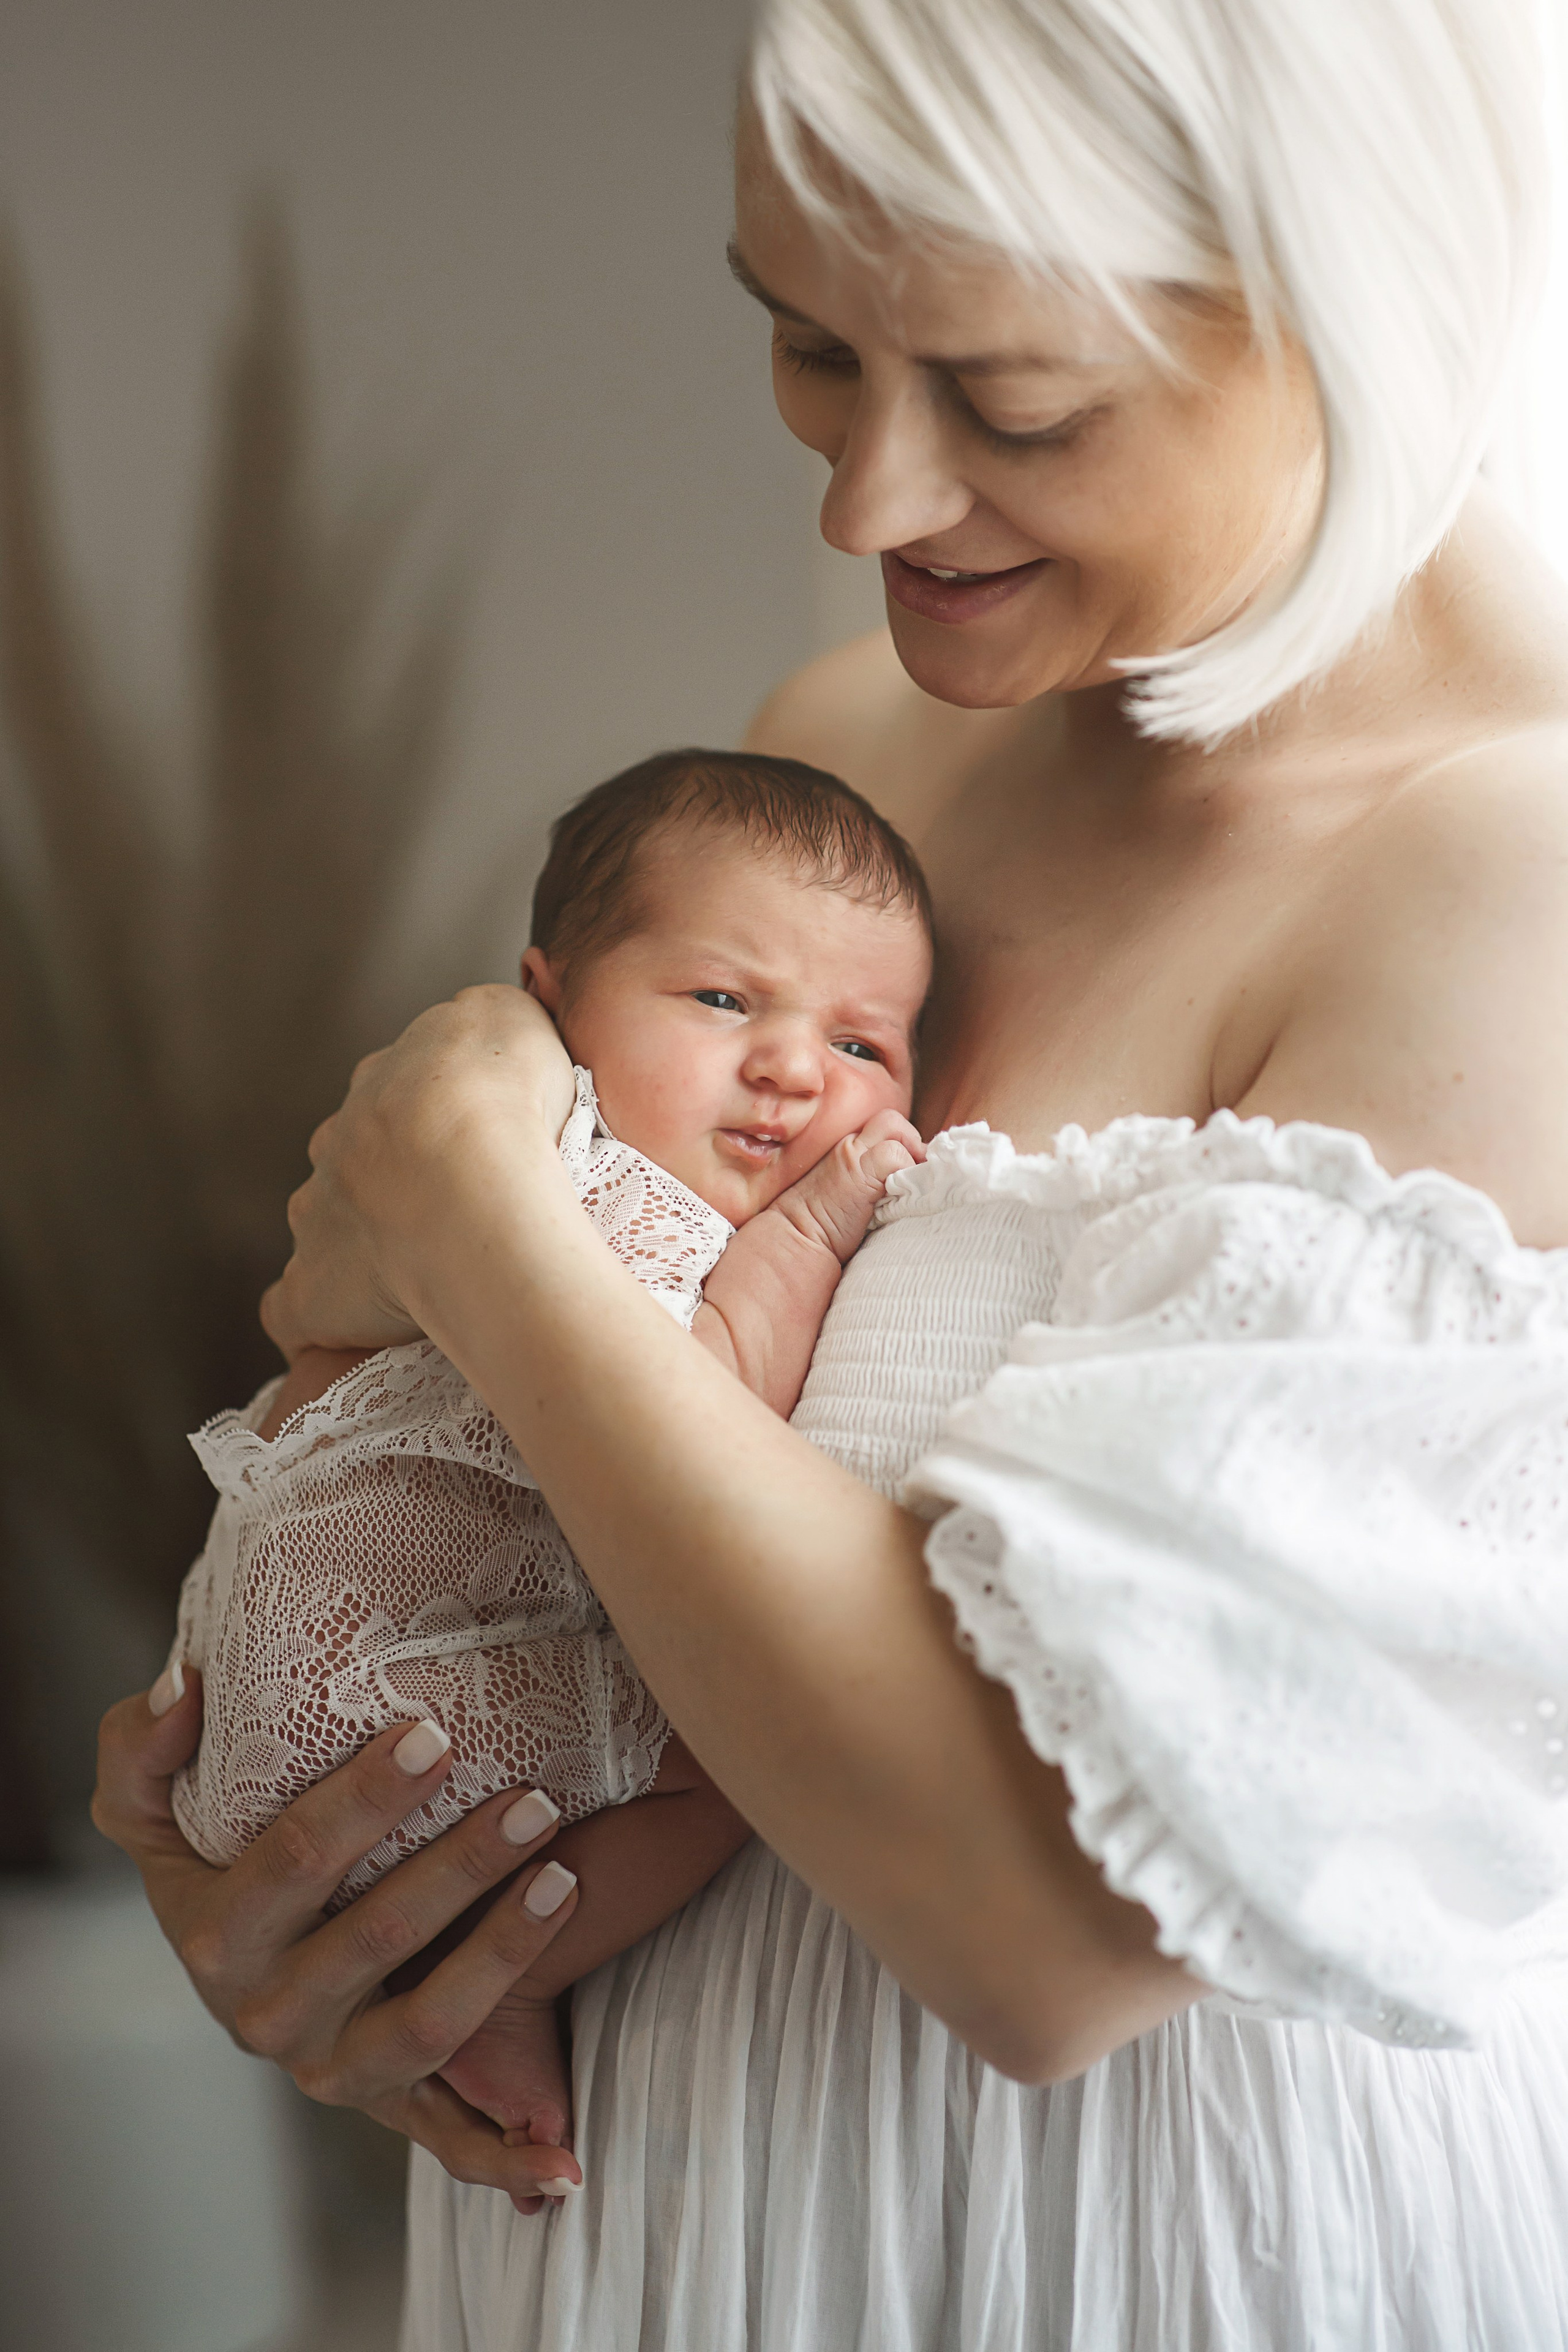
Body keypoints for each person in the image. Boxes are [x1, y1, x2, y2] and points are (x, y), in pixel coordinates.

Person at [94, 1, 1568, 2343]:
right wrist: (314, 1877)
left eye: (1015, 404)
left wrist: (476, 1215)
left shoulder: (1517, 873)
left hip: (1135, 2267)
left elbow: (1037, 1935)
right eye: (805, 345)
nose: (864, 507)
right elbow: (433, 1412)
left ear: (1357, 304)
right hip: (654, 2238)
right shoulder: (849, 753)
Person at [167, 747, 929, 2199]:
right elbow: (687, 1423)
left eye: (863, 1046)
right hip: (378, 1716)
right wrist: (815, 1225)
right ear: (552, 999)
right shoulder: (583, 1192)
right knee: (735, 1762)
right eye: (722, 1000)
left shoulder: (465, 1179)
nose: (791, 1068)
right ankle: (517, 1980)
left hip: (250, 1709)